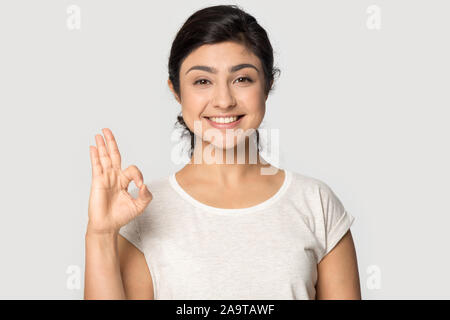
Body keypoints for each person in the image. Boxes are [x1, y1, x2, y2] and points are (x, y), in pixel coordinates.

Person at [84, 4, 361, 300]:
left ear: (267, 85)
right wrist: (100, 236)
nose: (224, 100)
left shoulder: (315, 204)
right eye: (202, 81)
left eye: (242, 79)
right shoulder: (143, 211)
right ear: (176, 91)